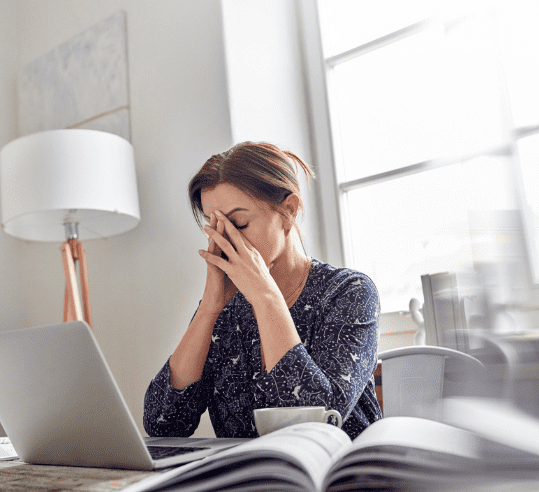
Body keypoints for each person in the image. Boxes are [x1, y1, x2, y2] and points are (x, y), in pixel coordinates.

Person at [143, 142, 381, 440]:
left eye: (238, 223)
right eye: (214, 227)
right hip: (249, 482)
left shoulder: (350, 293)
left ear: (288, 211)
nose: (226, 240)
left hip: (341, 479)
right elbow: (162, 424)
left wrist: (266, 297)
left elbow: (315, 423)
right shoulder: (224, 309)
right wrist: (208, 308)